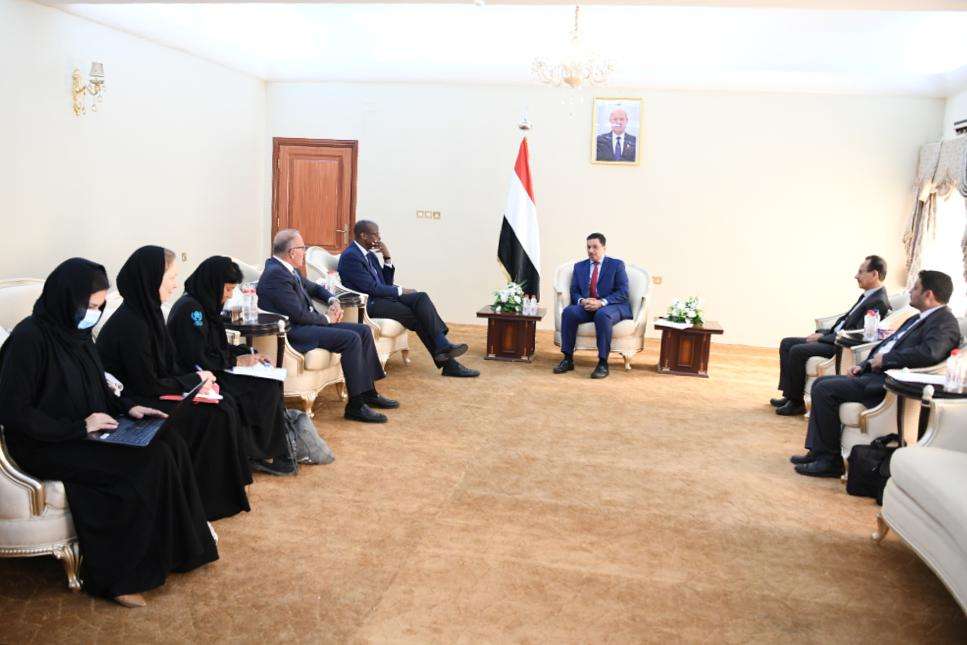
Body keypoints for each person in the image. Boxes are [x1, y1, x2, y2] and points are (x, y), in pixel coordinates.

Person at [0, 259, 217, 608]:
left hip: (85, 430)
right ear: (65, 299)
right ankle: (118, 579)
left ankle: (181, 549)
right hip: (43, 443)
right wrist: (78, 427)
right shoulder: (29, 339)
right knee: (144, 462)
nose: (94, 314)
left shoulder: (78, 335)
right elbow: (14, 412)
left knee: (170, 443)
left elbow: (100, 387)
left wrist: (129, 407)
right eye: (89, 306)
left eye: (99, 306)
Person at [97, 246, 257, 518]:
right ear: (151, 280)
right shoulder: (131, 324)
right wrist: (193, 380)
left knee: (224, 403)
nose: (174, 285)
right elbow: (146, 384)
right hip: (132, 401)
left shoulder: (149, 313)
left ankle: (220, 493)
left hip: (151, 390)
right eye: (170, 278)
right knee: (212, 416)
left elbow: (168, 366)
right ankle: (206, 501)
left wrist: (198, 383)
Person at [792, 270, 962, 477]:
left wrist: (886, 360)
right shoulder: (917, 318)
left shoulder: (945, 323)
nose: (910, 291)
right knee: (822, 384)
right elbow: (888, 345)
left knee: (825, 388)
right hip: (874, 374)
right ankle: (818, 452)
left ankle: (829, 461)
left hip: (889, 382)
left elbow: (929, 353)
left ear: (929, 294)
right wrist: (863, 365)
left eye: (916, 288)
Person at [167, 256, 293, 474]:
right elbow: (197, 357)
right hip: (198, 377)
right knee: (264, 387)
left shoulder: (205, 305)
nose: (229, 295)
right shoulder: (191, 310)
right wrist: (235, 361)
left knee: (269, 381)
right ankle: (261, 453)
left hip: (215, 369)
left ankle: (261, 449)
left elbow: (217, 347)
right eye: (227, 289)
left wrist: (250, 353)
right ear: (213, 284)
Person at [257, 229, 398, 423]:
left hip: (307, 325)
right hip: (294, 332)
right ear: (291, 252)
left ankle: (368, 393)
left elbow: (314, 288)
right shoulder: (276, 275)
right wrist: (328, 319)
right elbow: (298, 315)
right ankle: (355, 406)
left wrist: (333, 300)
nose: (304, 252)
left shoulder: (286, 269)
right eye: (302, 248)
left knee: (364, 331)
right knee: (351, 339)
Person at [337, 220, 479, 378]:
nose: (379, 238)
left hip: (381, 298)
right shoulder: (351, 256)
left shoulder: (369, 255)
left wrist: (387, 258)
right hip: (369, 303)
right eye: (375, 234)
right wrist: (401, 291)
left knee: (420, 297)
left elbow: (385, 283)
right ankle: (448, 359)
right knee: (417, 316)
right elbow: (372, 288)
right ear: (363, 235)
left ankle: (442, 345)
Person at [772, 255, 891, 416]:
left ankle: (796, 403)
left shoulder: (878, 301)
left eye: (861, 272)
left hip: (840, 346)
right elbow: (846, 322)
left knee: (797, 350)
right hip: (833, 337)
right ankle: (789, 395)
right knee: (786, 343)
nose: (856, 276)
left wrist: (822, 338)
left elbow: (856, 334)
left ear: (874, 274)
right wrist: (823, 333)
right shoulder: (869, 296)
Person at [554, 233, 632, 379]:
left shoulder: (616, 265)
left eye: (595, 247)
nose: (591, 250)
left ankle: (603, 363)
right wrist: (582, 301)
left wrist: (601, 303)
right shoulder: (579, 267)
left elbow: (623, 292)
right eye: (588, 247)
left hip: (611, 305)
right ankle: (568, 359)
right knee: (569, 312)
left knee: (602, 315)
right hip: (588, 305)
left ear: (604, 248)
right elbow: (574, 291)